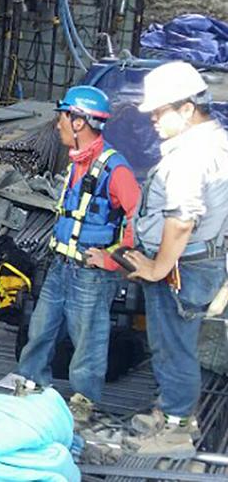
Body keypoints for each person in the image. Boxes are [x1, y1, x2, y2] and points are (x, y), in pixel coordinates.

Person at [12, 86, 140, 423]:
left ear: (79, 122)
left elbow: (138, 220)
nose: (58, 124)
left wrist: (112, 260)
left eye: (63, 117)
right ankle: (31, 382)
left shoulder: (116, 169)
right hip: (62, 264)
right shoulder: (76, 163)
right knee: (41, 327)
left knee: (88, 336)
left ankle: (83, 401)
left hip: (91, 272)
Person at [124, 61, 228, 458]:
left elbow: (182, 221)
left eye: (159, 112)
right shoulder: (214, 142)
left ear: (187, 109)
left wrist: (157, 267)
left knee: (174, 347)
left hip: (184, 266)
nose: (153, 119)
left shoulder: (191, 155)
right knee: (171, 344)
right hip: (198, 262)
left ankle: (176, 431)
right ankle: (171, 411)